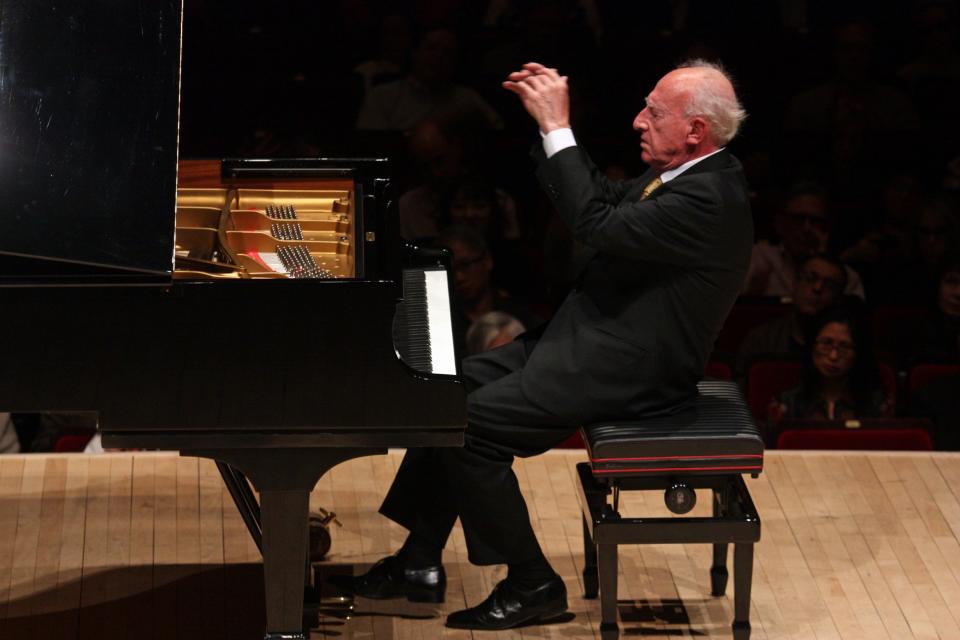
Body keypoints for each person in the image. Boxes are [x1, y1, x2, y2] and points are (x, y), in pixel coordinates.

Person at [340, 59, 751, 630]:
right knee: (441, 396)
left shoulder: (710, 198)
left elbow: (594, 223)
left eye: (653, 112)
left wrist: (561, 126)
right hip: (591, 340)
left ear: (696, 131)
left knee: (472, 428)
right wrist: (545, 129)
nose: (638, 121)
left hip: (631, 370)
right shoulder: (681, 175)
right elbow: (603, 201)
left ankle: (532, 582)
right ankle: (418, 559)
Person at [734, 253, 848, 384]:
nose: (817, 288)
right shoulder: (762, 338)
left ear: (839, 297)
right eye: (810, 278)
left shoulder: (844, 347)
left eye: (829, 285)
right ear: (795, 283)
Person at [768, 305, 891, 424]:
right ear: (812, 346)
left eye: (844, 347)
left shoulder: (877, 404)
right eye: (826, 343)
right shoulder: (788, 404)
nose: (833, 356)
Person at [744, 181, 865, 298]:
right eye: (799, 219)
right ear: (780, 223)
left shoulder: (847, 277)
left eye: (816, 221)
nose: (807, 228)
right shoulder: (756, 259)